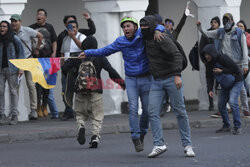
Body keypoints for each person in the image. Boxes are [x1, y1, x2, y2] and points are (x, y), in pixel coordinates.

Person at [78, 16, 164, 152]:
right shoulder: (121, 41)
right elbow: (104, 51)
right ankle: (135, 137)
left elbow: (158, 25)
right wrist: (88, 52)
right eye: (124, 27)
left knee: (147, 111)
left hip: (146, 78)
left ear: (135, 27)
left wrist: (159, 30)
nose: (126, 29)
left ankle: (142, 133)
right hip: (131, 79)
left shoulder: (142, 34)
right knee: (133, 108)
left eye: (128, 26)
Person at [139, 15, 195, 158]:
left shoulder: (161, 37)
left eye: (146, 27)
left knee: (180, 111)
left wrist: (177, 75)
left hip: (172, 78)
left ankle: (187, 145)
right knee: (152, 111)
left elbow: (176, 55)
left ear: (152, 26)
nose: (143, 29)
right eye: (142, 27)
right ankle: (159, 144)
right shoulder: (145, 38)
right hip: (157, 81)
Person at [62, 35, 125, 148]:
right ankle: (95, 136)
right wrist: (121, 83)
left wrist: (74, 70)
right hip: (96, 91)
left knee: (80, 113)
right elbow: (111, 71)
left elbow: (64, 69)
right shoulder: (100, 57)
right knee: (97, 115)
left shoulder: (76, 56)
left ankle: (81, 127)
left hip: (80, 91)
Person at [197, 13, 249, 120]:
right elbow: (207, 34)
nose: (226, 22)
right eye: (224, 20)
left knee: (241, 87)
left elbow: (244, 49)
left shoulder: (239, 33)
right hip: (225, 63)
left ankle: (245, 109)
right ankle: (224, 108)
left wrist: (245, 64)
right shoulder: (220, 31)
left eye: (228, 20)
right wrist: (199, 27)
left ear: (232, 20)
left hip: (237, 63)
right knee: (224, 84)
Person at [57, 13, 96, 121]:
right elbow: (62, 52)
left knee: (81, 89)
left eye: (74, 27)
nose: (72, 29)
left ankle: (84, 112)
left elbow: (83, 47)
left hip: (79, 67)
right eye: (70, 27)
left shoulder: (81, 36)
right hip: (67, 68)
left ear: (77, 28)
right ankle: (68, 111)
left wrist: (73, 36)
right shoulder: (64, 38)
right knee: (65, 90)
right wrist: (62, 64)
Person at [201, 44, 243, 135]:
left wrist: (222, 71)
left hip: (236, 81)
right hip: (225, 84)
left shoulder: (222, 57)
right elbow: (209, 77)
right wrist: (210, 90)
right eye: (205, 54)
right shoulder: (208, 64)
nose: (206, 56)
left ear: (212, 53)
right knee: (220, 105)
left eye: (208, 54)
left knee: (233, 102)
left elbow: (235, 68)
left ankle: (237, 126)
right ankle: (226, 125)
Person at [10, 14, 43, 120]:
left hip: (28, 59)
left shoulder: (27, 30)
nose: (13, 23)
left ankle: (33, 110)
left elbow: (40, 36)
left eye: (15, 21)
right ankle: (15, 110)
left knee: (31, 85)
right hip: (17, 62)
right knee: (16, 86)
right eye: (12, 21)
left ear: (20, 21)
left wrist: (37, 48)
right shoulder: (10, 33)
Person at [29, 8, 58, 119]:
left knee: (47, 84)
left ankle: (44, 105)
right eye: (38, 14)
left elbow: (54, 41)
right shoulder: (31, 28)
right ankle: (38, 106)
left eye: (41, 14)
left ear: (45, 17)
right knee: (38, 85)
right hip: (36, 59)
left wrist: (54, 53)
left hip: (47, 59)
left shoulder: (49, 27)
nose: (39, 16)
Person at [0, 21, 25, 125]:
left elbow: (21, 53)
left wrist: (21, 68)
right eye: (1, 26)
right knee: (0, 91)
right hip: (1, 70)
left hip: (13, 69)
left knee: (13, 91)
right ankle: (2, 114)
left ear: (8, 28)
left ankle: (14, 114)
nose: (2, 28)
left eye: (4, 26)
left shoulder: (14, 39)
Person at [199, 16, 220, 116]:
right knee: (209, 82)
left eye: (215, 22)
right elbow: (201, 47)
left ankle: (222, 104)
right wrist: (204, 60)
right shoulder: (206, 34)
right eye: (212, 22)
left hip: (220, 61)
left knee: (220, 81)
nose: (213, 24)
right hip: (209, 62)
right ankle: (211, 104)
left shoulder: (221, 33)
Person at [236, 20, 250, 117]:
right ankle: (242, 107)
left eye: (241, 26)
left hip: (247, 62)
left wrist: (243, 37)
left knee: (248, 84)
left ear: (244, 27)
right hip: (237, 63)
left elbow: (248, 44)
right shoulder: (234, 36)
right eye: (238, 26)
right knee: (241, 86)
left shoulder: (247, 35)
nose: (239, 28)